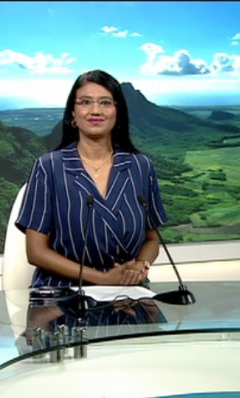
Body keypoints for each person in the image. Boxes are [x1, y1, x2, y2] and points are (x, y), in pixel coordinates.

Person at [15, 69, 167, 289]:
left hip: (128, 290)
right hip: (62, 293)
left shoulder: (141, 166)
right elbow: (36, 252)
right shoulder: (49, 167)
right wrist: (103, 279)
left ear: (118, 113)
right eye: (85, 102)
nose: (95, 111)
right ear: (72, 114)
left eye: (105, 103)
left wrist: (140, 265)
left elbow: (151, 238)